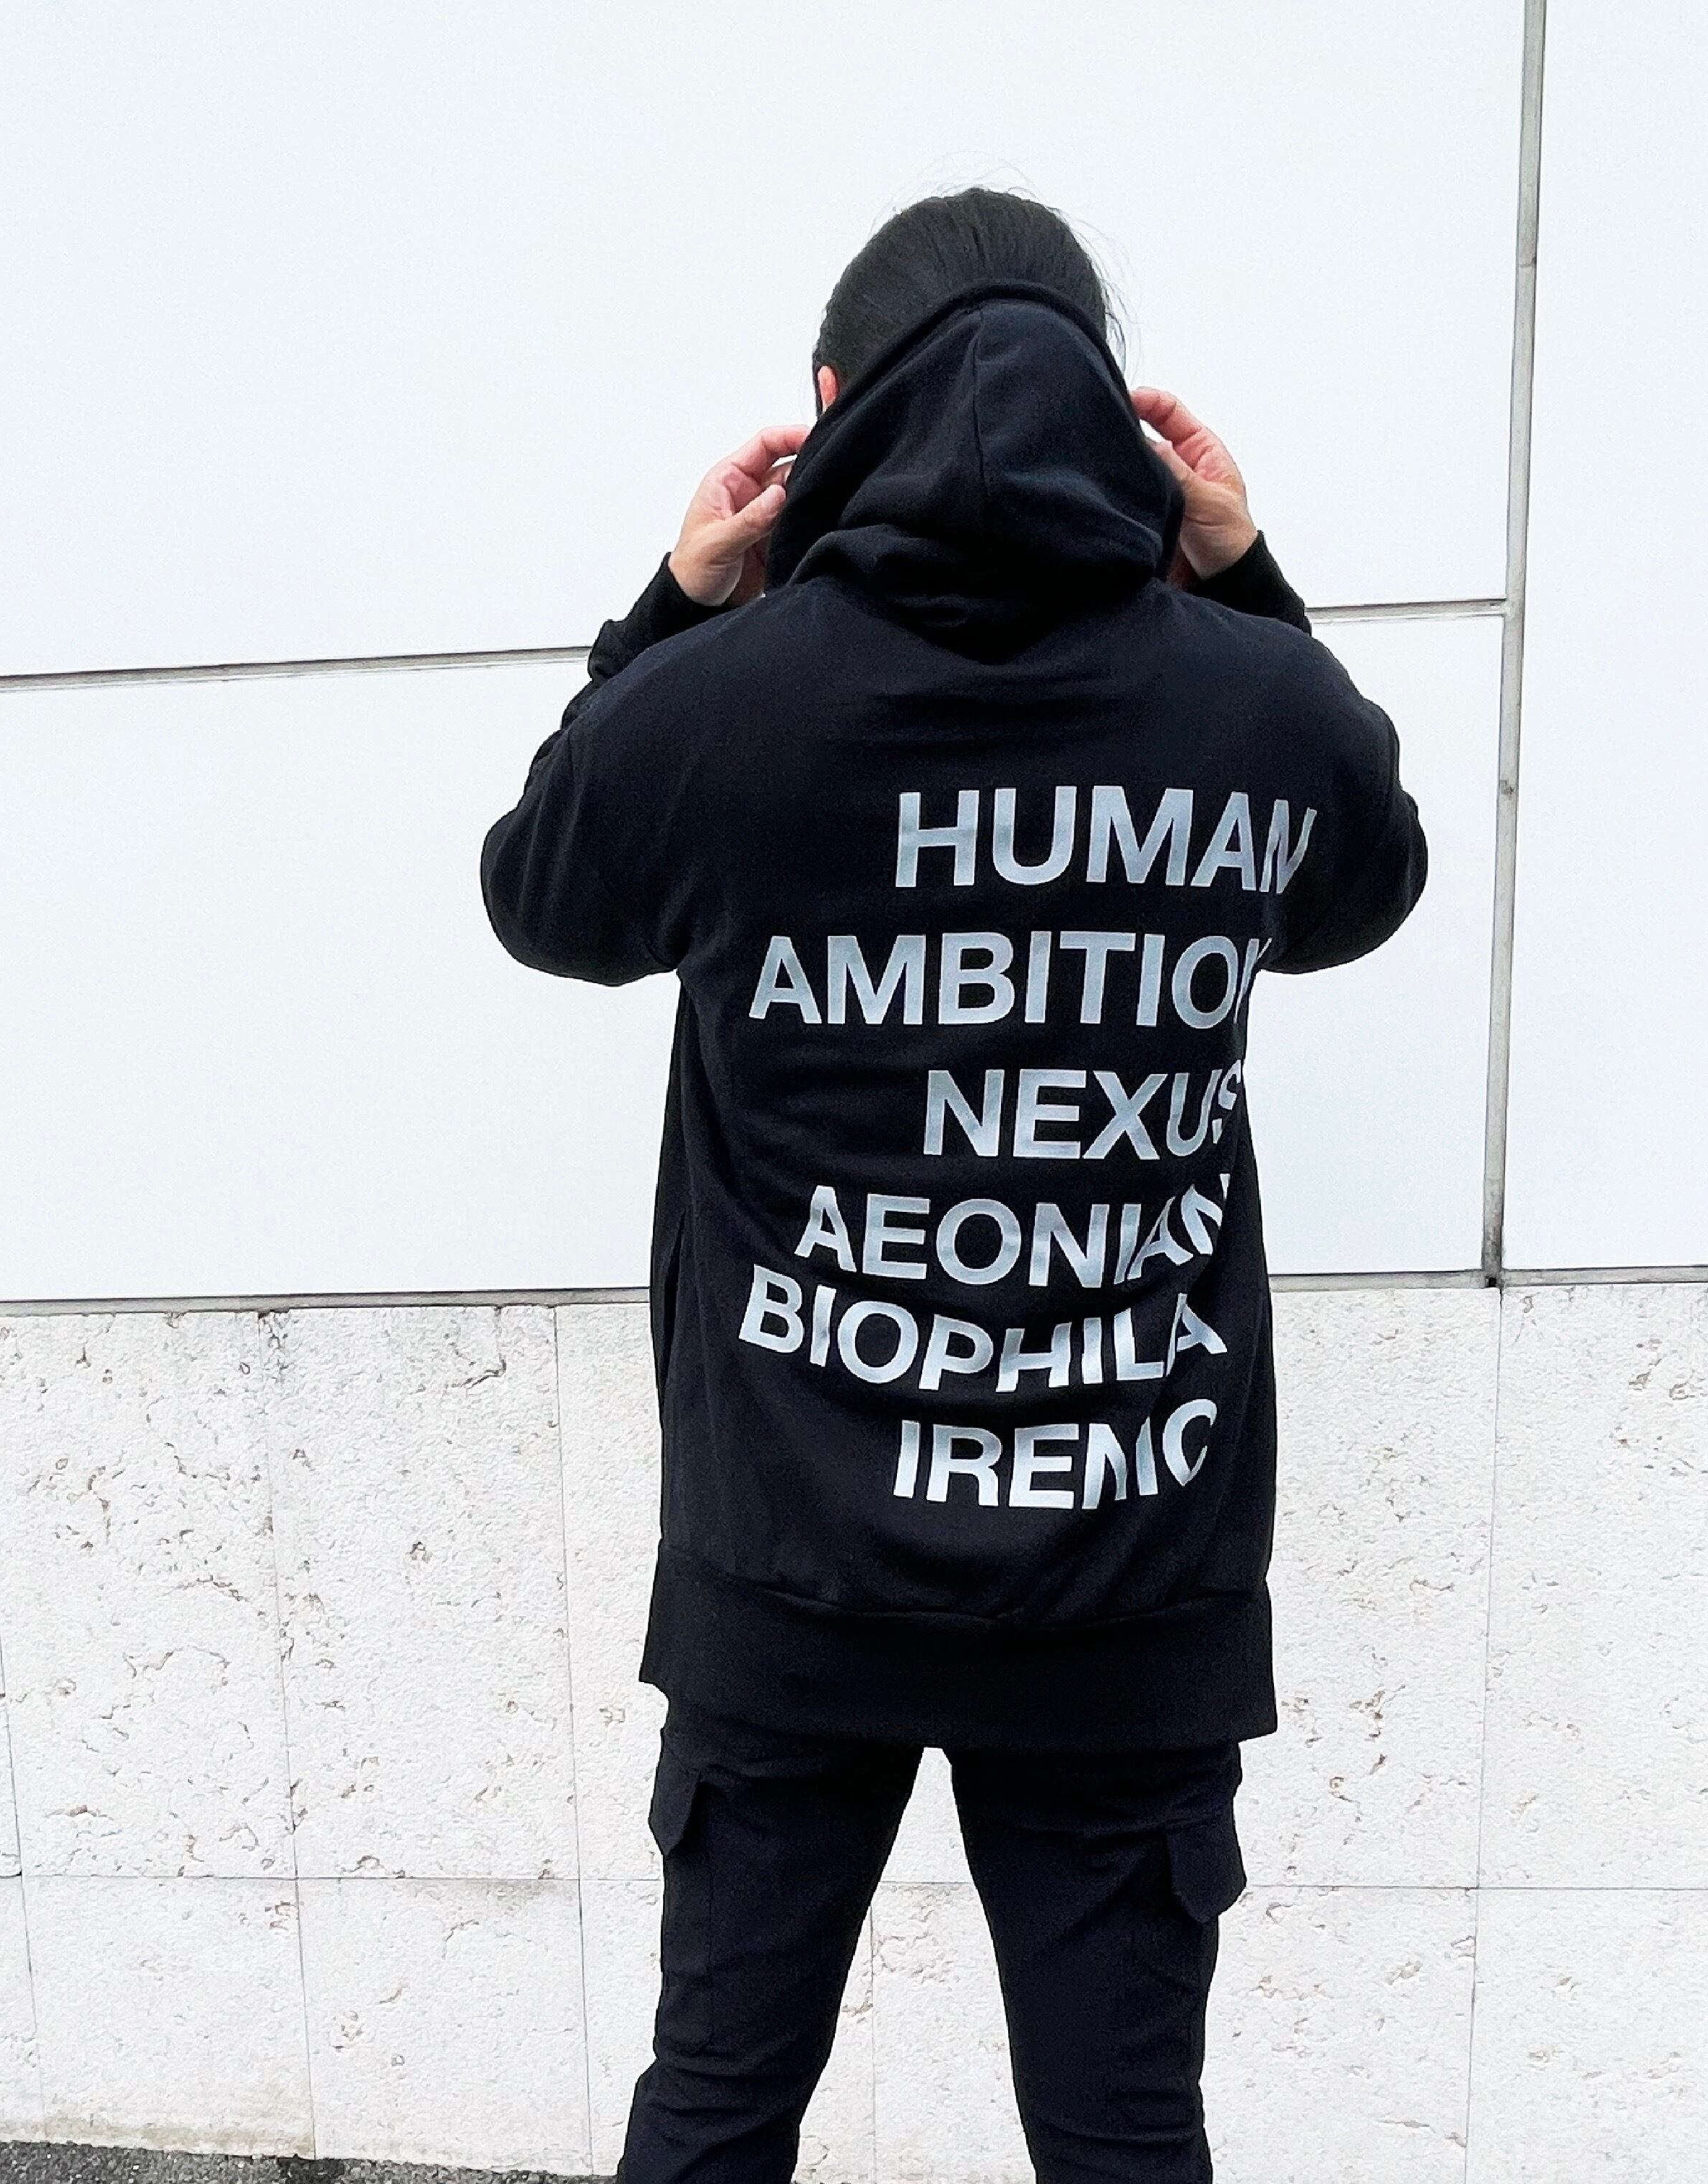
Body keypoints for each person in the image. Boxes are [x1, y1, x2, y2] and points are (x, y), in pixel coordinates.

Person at [480, 187, 1428, 2184]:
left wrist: (678, 604)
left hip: (790, 1571)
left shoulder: (722, 713)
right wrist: (1246, 582)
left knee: (716, 2111)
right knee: (1123, 2140)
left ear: (831, 412)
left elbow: (543, 887)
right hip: (1123, 1574)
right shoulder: (1253, 712)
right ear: (1115, 407)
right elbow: (1366, 877)